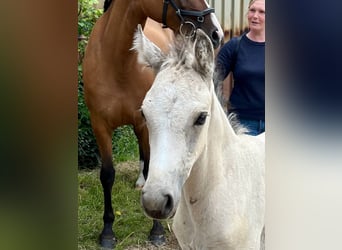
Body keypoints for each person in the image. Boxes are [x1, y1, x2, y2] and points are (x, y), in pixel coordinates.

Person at [215, 0, 265, 136]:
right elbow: (211, 78)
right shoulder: (234, 46)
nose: (255, 16)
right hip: (242, 124)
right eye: (252, 10)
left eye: (261, 12)